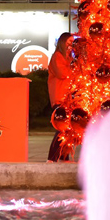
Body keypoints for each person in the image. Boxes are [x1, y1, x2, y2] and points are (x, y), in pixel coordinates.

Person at [47, 32, 74, 162]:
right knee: (62, 128)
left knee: (67, 130)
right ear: (62, 42)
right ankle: (52, 158)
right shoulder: (57, 57)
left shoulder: (68, 58)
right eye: (69, 41)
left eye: (73, 41)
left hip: (67, 99)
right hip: (59, 98)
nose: (71, 44)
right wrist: (73, 68)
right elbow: (62, 73)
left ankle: (64, 157)